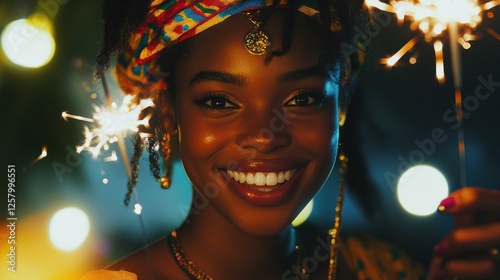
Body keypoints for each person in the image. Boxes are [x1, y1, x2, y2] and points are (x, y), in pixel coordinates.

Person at [81, 0, 500, 279]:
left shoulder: (380, 270)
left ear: (340, 108)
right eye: (219, 101)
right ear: (170, 114)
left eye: (302, 98)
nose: (264, 137)